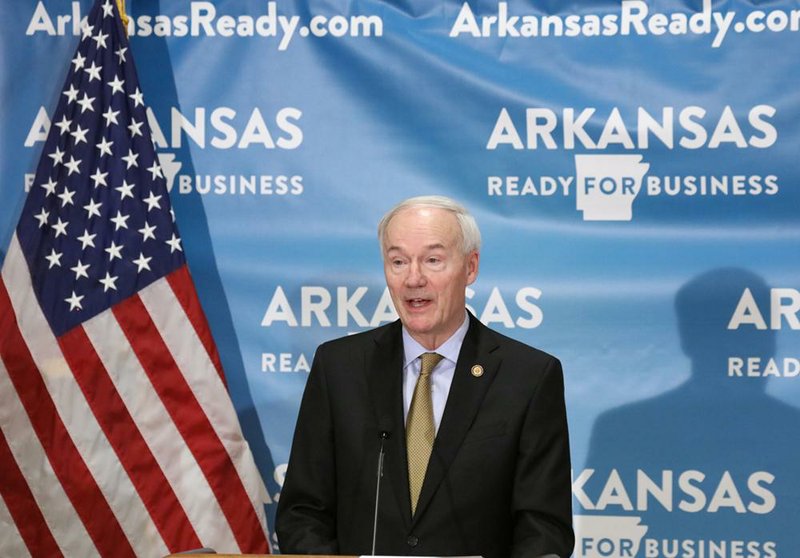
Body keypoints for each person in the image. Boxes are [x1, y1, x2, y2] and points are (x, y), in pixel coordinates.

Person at [275, 195, 574, 557]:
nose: (413, 278)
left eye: (433, 260)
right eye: (398, 261)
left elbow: (544, 529)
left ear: (470, 267)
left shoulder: (527, 376)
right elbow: (302, 512)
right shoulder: (339, 368)